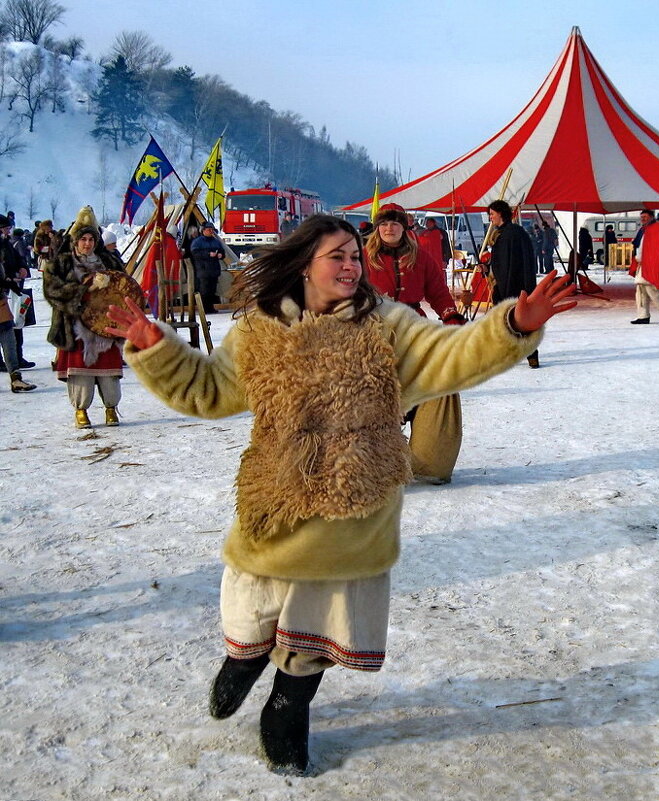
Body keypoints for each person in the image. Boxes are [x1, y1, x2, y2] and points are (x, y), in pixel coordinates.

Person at [104, 214, 575, 775]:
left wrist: (513, 325)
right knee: (254, 601)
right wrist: (155, 346)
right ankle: (244, 657)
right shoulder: (260, 330)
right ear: (305, 263)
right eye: (339, 256)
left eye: (356, 255)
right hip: (277, 494)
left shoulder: (388, 328)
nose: (353, 266)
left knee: (322, 618)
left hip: (355, 503)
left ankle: (288, 704)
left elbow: (454, 355)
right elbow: (208, 391)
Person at [365, 203, 467, 484]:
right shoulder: (362, 257)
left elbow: (438, 292)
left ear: (404, 227)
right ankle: (375, 464)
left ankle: (428, 457)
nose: (389, 229)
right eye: (384, 224)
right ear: (378, 227)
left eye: (394, 224)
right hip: (372, 329)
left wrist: (451, 317)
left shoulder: (421, 258)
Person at [43, 212, 126, 426]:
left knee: (109, 374)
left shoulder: (108, 261)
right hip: (75, 325)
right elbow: (52, 290)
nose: (87, 244)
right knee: (81, 374)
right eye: (83, 239)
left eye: (91, 239)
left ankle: (111, 407)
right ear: (75, 240)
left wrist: (110, 286)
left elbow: (125, 288)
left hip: (104, 326)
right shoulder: (61, 263)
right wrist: (84, 290)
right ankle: (81, 410)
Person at [487, 199, 541, 368]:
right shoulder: (500, 234)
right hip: (503, 284)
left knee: (519, 321)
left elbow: (521, 262)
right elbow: (499, 261)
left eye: (492, 214)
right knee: (504, 322)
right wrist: (486, 267)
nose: (490, 218)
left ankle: (531, 354)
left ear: (500, 213)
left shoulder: (514, 234)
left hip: (515, 284)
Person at [0, 215, 37, 392]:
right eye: (5, 228)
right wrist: (6, 279)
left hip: (3, 297)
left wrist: (22, 267)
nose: (7, 231)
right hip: (4, 291)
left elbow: (18, 258)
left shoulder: (5, 243)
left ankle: (16, 377)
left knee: (9, 335)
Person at [629, 210, 659, 325]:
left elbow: (658, 249)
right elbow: (639, 245)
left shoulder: (657, 229)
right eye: (641, 217)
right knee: (641, 290)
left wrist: (652, 261)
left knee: (651, 289)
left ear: (651, 217)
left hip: (651, 263)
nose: (643, 219)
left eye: (645, 216)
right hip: (642, 263)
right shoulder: (644, 229)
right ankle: (643, 316)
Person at [190, 221, 225, 313]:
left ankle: (210, 308)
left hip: (214, 270)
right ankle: (204, 309)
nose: (211, 231)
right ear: (203, 230)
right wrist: (208, 254)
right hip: (203, 270)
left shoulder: (216, 241)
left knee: (212, 290)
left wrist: (221, 255)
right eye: (209, 230)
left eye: (212, 230)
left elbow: (222, 251)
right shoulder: (197, 242)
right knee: (204, 290)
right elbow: (195, 253)